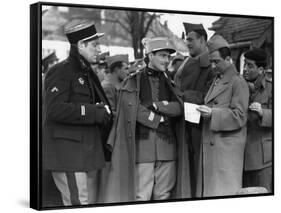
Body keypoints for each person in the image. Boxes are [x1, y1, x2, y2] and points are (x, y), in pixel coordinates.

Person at [103, 37, 191, 202]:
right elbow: (132, 108)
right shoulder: (133, 81)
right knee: (141, 196)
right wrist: (159, 120)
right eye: (162, 55)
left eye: (168, 56)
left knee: (164, 197)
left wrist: (157, 106)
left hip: (168, 149)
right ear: (150, 55)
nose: (166, 60)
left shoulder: (170, 83)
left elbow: (179, 107)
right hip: (143, 149)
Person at [43, 20, 113, 206]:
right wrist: (93, 112)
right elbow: (54, 109)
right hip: (68, 154)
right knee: (77, 203)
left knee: (81, 202)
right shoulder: (61, 71)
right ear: (81, 45)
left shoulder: (85, 72)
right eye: (95, 45)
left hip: (82, 153)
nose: (98, 49)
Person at [196, 35, 249, 197]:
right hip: (215, 149)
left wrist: (213, 113)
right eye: (211, 62)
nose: (213, 66)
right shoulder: (217, 80)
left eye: (216, 62)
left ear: (228, 59)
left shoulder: (238, 82)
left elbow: (240, 116)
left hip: (226, 154)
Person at [173, 23, 214, 197]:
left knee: (196, 168)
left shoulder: (211, 64)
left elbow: (209, 96)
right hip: (183, 121)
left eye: (190, 39)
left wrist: (180, 96)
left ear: (203, 40)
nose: (186, 42)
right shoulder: (188, 61)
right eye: (185, 39)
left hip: (198, 124)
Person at [242, 48, 272, 192]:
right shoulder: (239, 86)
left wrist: (262, 113)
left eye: (249, 65)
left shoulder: (272, 88)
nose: (245, 69)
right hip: (241, 156)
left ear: (261, 69)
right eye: (244, 64)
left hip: (263, 159)